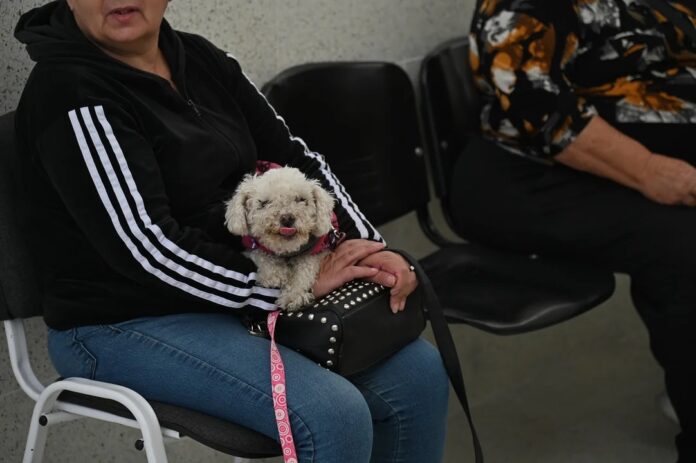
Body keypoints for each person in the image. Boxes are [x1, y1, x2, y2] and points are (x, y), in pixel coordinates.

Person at [13, 1, 449, 462]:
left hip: (229, 299)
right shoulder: (71, 92)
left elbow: (296, 160)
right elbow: (147, 246)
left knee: (418, 375)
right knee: (333, 414)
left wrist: (365, 249)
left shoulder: (202, 58)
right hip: (121, 322)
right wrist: (279, 289)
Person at [460, 0, 696, 461]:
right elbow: (534, 100)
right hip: (529, 175)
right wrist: (651, 171)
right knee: (682, 244)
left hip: (620, 164)